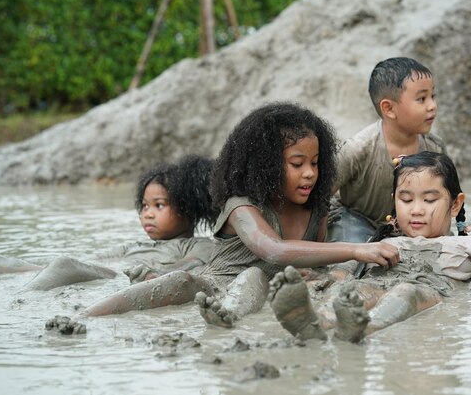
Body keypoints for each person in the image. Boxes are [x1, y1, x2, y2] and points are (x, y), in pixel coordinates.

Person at [80, 102, 399, 326]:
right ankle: (85, 315)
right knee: (203, 278)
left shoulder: (316, 209)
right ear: (267, 165)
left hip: (270, 294)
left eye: (315, 163)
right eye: (297, 163)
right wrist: (359, 249)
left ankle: (228, 318)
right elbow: (273, 250)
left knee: (268, 279)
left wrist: (320, 273)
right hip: (211, 289)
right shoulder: (240, 206)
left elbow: (312, 258)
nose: (309, 174)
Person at [269, 151, 471, 343]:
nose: (416, 210)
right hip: (379, 285)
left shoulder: (465, 243)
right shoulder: (383, 243)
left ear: (455, 204)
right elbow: (346, 271)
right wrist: (323, 279)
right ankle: (314, 323)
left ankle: (365, 328)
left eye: (429, 200)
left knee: (405, 290)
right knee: (351, 293)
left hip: (427, 291)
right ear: (394, 201)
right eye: (406, 199)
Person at [0, 155, 216, 291]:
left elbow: (190, 264)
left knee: (64, 264)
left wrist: (158, 273)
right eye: (144, 206)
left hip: (113, 277)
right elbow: (97, 258)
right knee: (1, 260)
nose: (148, 214)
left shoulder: (195, 244)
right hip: (94, 269)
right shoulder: (131, 246)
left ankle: (19, 298)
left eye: (159, 205)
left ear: (188, 209)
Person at [328, 57, 448, 245]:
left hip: (407, 226)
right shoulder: (358, 150)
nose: (432, 105)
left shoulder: (435, 149)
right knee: (350, 259)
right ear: (389, 108)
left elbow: (447, 201)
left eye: (433, 96)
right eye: (421, 99)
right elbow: (316, 198)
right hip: (356, 222)